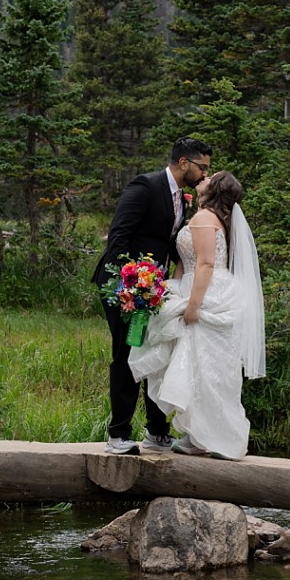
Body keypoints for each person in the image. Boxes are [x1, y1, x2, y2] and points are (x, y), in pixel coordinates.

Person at [129, 170, 265, 460]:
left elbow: (204, 264)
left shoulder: (204, 218)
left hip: (204, 292)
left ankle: (205, 436)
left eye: (208, 178)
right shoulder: (217, 219)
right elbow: (187, 261)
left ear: (214, 188)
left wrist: (192, 305)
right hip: (203, 288)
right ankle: (200, 435)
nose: (201, 178)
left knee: (203, 365)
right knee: (204, 366)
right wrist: (169, 288)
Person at [92, 136, 212, 454]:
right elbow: (119, 234)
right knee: (127, 355)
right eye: (202, 167)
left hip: (154, 289)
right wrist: (125, 285)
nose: (204, 175)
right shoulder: (145, 187)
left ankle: (157, 432)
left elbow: (168, 243)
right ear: (184, 163)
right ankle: (118, 435)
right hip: (124, 286)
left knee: (155, 354)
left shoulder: (181, 199)